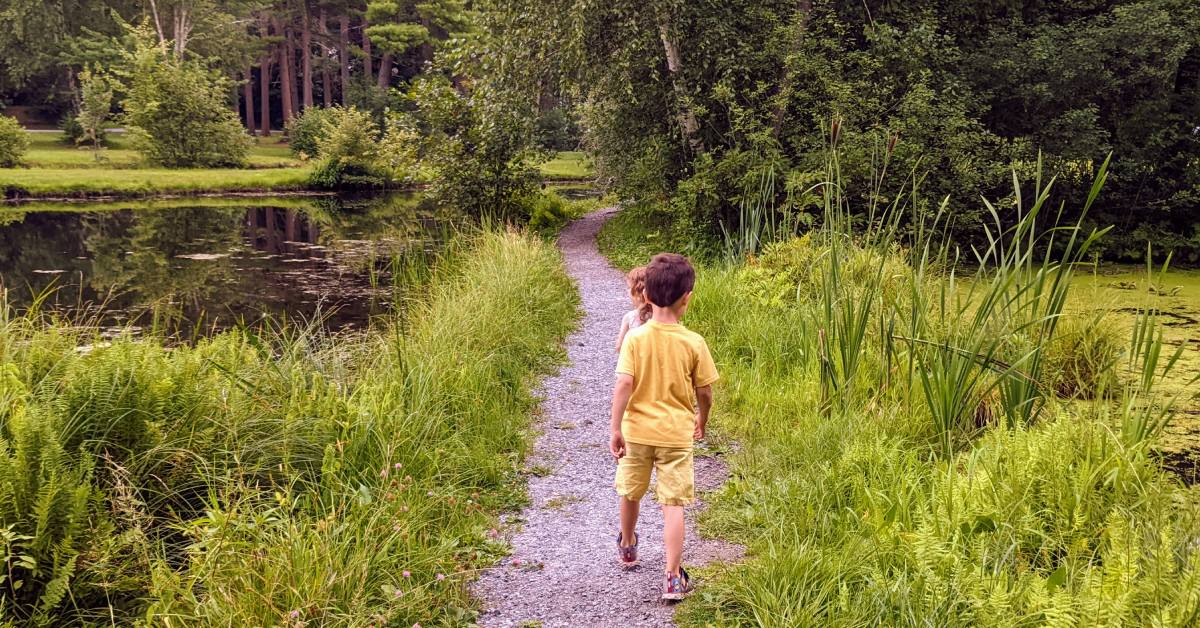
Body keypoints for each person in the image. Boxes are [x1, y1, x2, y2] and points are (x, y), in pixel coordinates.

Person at [609, 252, 718, 601]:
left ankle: (627, 544)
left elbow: (623, 385)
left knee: (630, 490)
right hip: (675, 435)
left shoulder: (634, 340)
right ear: (687, 298)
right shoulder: (693, 342)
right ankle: (672, 577)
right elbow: (705, 393)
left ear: (647, 296)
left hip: (637, 432)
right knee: (673, 504)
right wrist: (702, 419)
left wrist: (615, 428)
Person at [615, 266, 652, 352]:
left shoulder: (630, 317)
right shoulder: (658, 316)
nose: (627, 291)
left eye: (629, 288)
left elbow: (619, 347)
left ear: (637, 292)